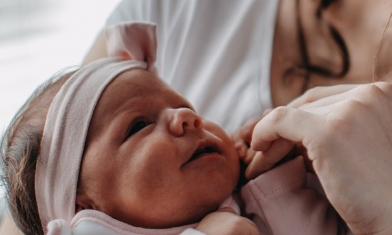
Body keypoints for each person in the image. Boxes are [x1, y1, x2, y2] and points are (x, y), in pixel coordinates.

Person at [0, 22, 348, 235]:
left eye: (185, 107)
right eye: (138, 125)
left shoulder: (247, 197)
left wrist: (274, 176)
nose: (188, 119)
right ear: (82, 205)